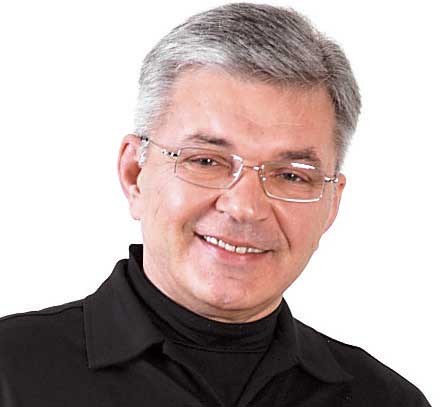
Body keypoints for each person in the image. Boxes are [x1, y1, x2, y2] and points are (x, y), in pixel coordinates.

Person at [0, 3, 431, 406]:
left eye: (291, 175)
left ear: (331, 204)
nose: (245, 207)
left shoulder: (387, 399)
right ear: (135, 174)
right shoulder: (11, 372)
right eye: (206, 161)